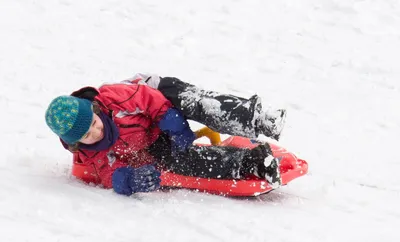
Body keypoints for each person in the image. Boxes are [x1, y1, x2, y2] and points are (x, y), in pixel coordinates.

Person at [45, 73, 286, 196]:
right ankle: (253, 162)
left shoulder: (114, 98)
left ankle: (256, 118)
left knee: (193, 103)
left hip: (158, 96)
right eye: (87, 135)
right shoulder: (89, 153)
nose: (96, 132)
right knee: (178, 161)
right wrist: (128, 180)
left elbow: (150, 100)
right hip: (151, 138)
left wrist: (175, 124)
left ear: (95, 110)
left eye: (94, 123)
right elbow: (108, 172)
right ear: (77, 144)